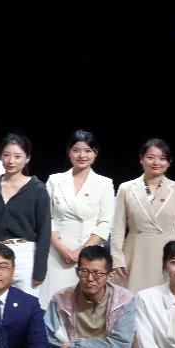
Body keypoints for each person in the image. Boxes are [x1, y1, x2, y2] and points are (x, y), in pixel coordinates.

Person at [39, 130, 116, 308]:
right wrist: (58, 246)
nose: (82, 155)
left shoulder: (104, 183)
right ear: (69, 152)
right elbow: (45, 216)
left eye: (88, 150)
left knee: (83, 304)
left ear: (95, 153)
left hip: (88, 254)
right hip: (57, 251)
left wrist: (82, 250)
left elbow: (105, 222)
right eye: (76, 150)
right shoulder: (55, 180)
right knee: (55, 302)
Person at [110, 138, 175, 293]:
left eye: (162, 158)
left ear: (169, 162)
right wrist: (117, 259)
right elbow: (117, 228)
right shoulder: (126, 188)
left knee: (164, 299)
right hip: (134, 253)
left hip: (167, 255)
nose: (156, 162)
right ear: (141, 159)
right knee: (132, 299)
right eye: (150, 157)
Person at [0, 134, 51, 296]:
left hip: (25, 255)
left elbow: (44, 230)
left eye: (17, 156)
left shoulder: (37, 189)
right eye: (7, 155)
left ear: (27, 158)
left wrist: (40, 269)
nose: (11, 161)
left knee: (25, 306)